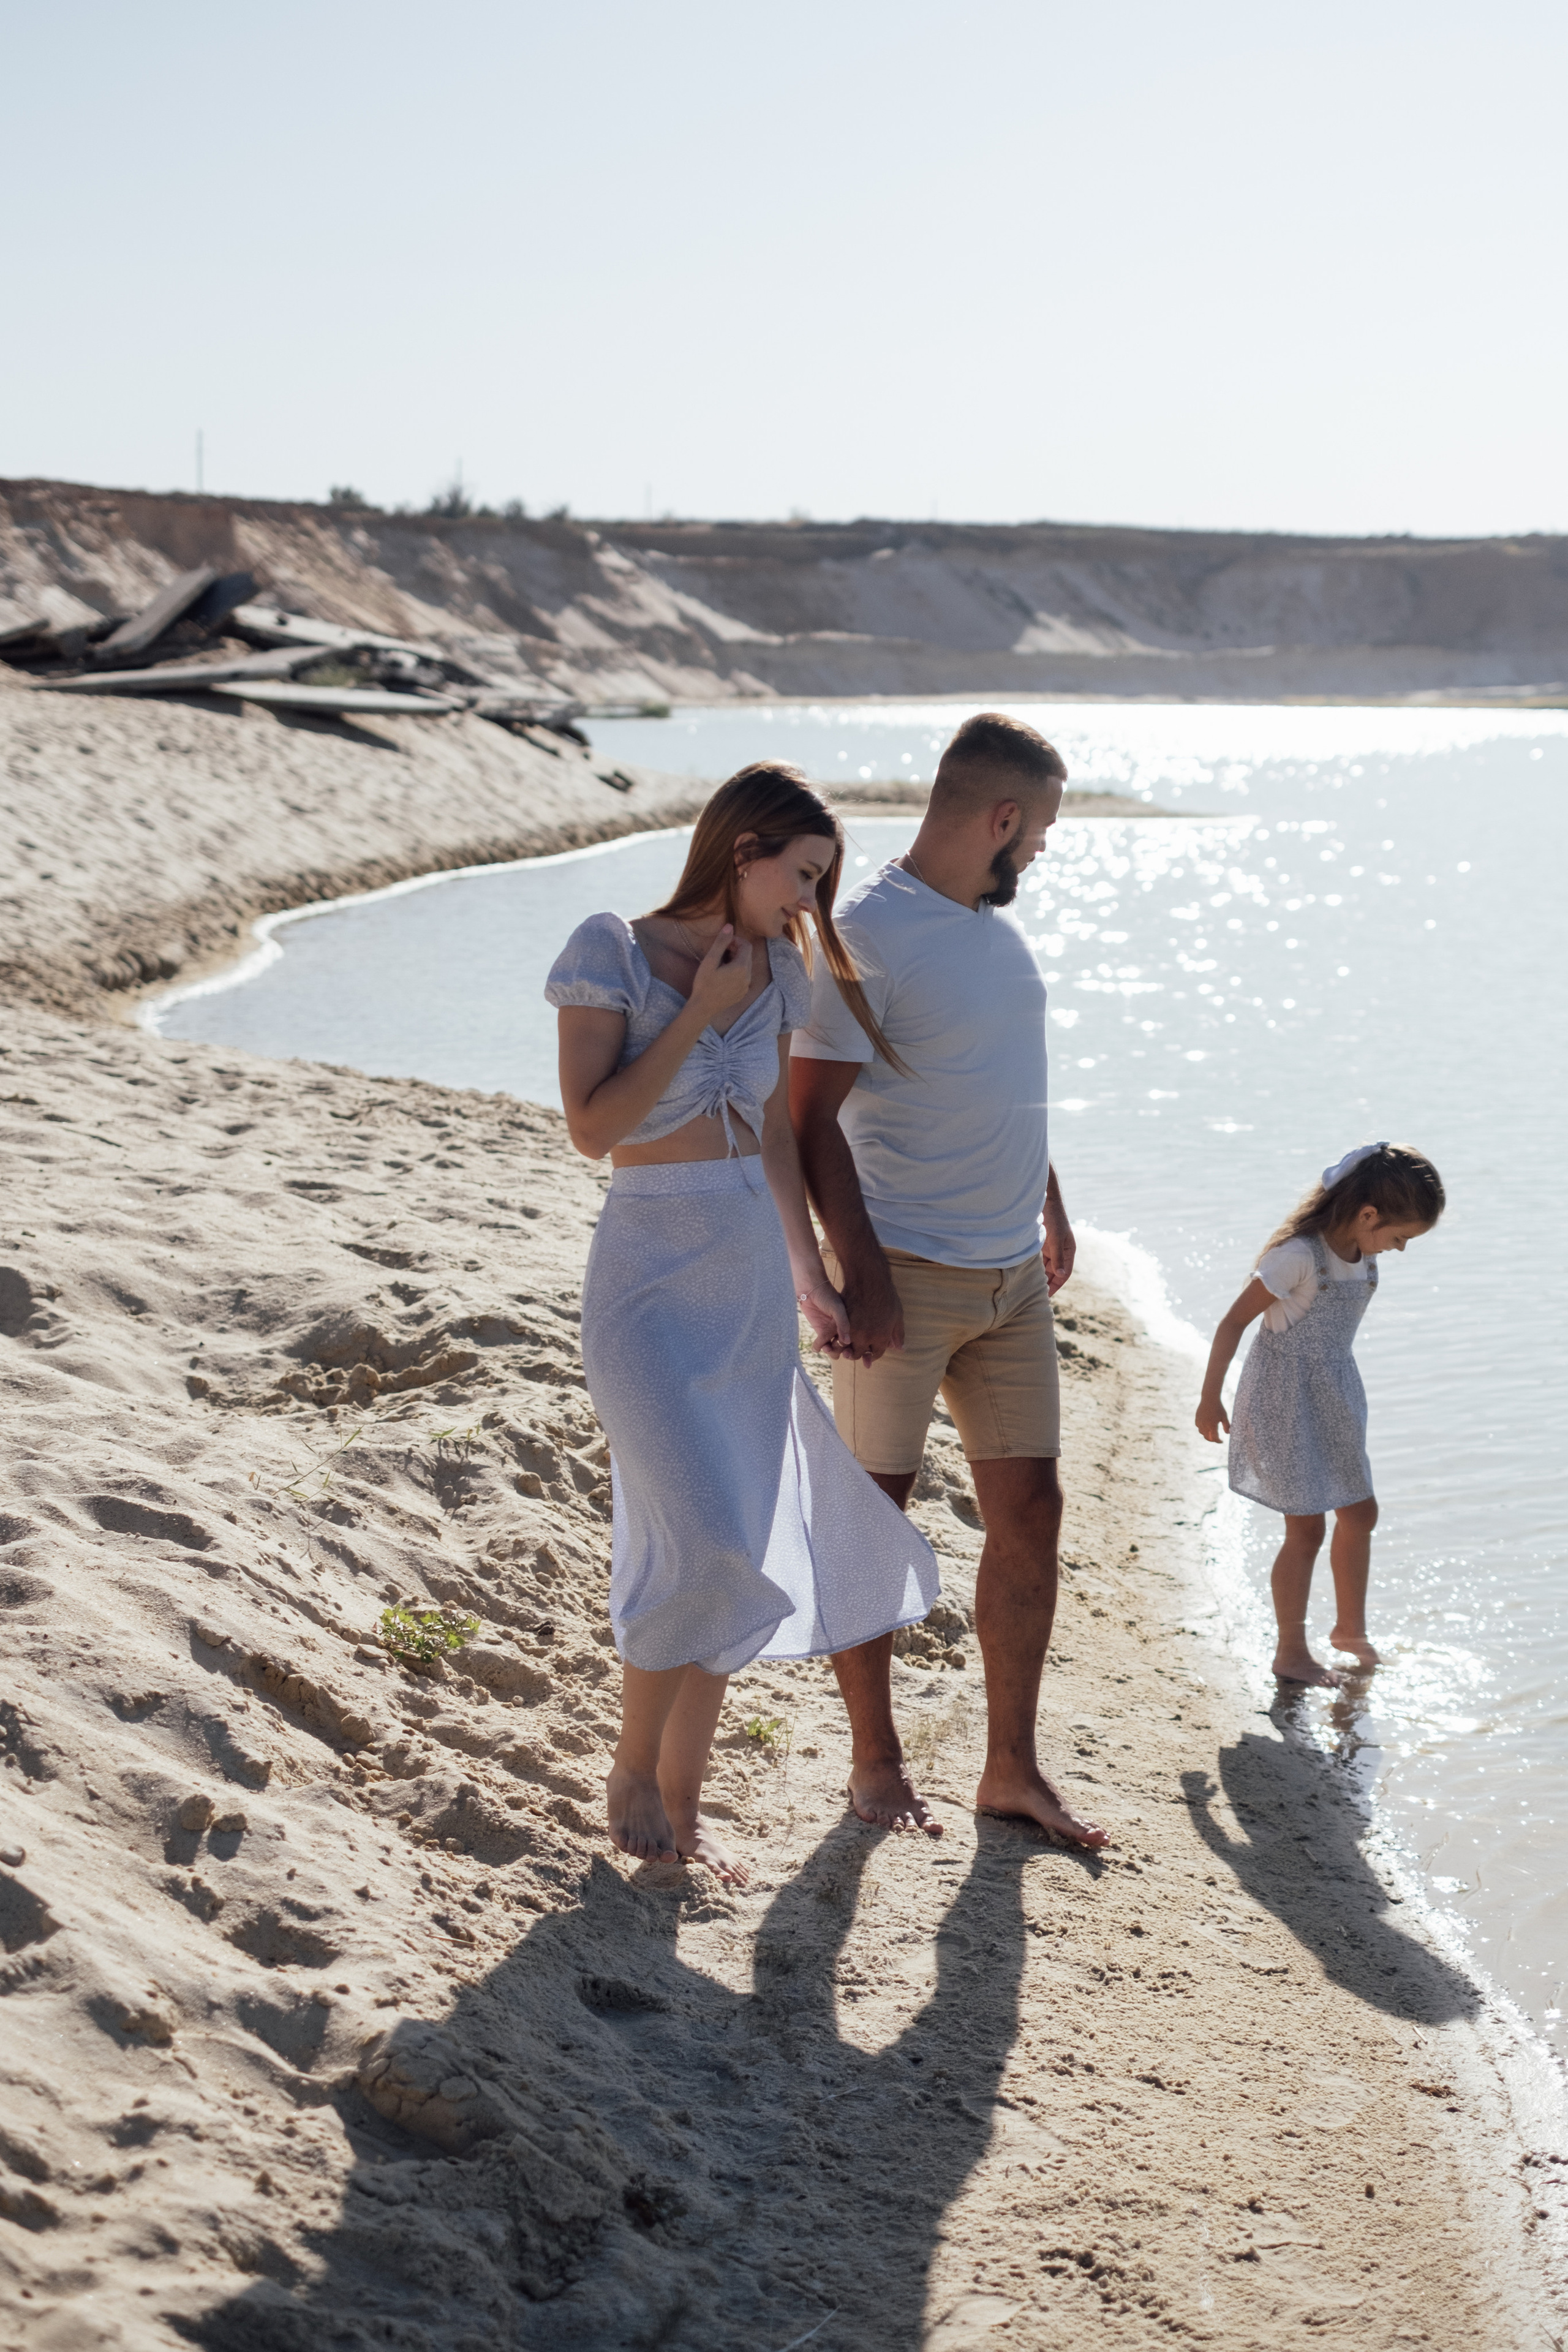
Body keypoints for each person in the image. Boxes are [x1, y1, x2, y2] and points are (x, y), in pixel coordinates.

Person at [546, 764, 939, 1885]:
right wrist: (702, 1016)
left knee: (730, 1544)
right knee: (706, 1533)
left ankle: (683, 1808)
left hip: (747, 1285)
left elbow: (771, 1139)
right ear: (743, 848)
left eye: (822, 884)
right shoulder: (609, 951)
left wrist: (808, 1275)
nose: (810, 904)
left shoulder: (774, 973)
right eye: (803, 876)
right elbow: (593, 1128)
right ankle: (631, 1773)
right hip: (645, 1276)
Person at [790, 710, 1107, 1850]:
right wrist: (858, 1273)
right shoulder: (867, 935)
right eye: (1043, 833)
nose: (1043, 854)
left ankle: (1009, 1771)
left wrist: (1051, 1199)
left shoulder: (984, 929)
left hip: (1009, 1278)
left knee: (1034, 1511)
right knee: (876, 1521)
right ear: (1004, 818)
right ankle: (874, 1763)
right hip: (908, 1274)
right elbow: (808, 1119)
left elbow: (999, 1077)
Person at [1195, 1140, 1445, 1686]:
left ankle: (1349, 1631)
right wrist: (1210, 1396)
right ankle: (1291, 1651)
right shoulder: (1298, 1258)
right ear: (1368, 1214)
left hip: (1334, 1394)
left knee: (1360, 1513)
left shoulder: (1363, 1252)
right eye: (1400, 1237)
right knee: (1305, 1530)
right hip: (1284, 1399)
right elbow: (1232, 1324)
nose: (1399, 1249)